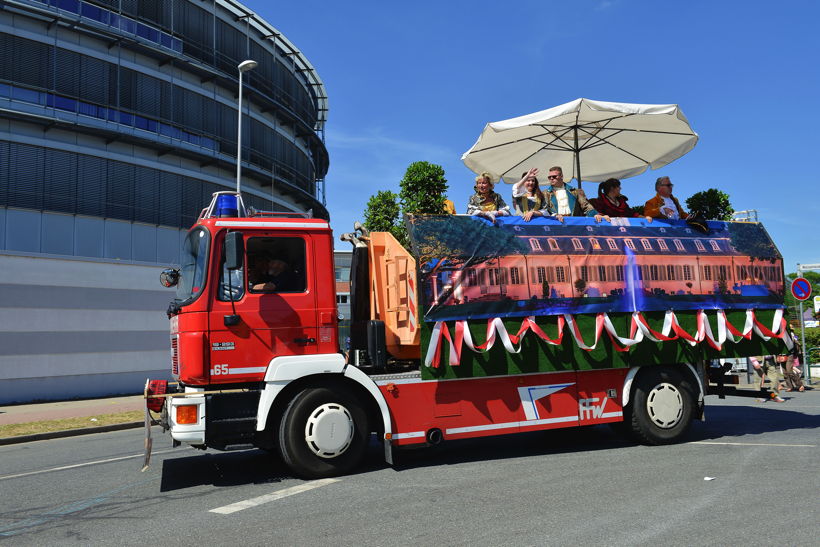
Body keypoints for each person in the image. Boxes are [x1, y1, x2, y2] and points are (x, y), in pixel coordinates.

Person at [542, 166, 609, 223]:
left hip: (574, 223)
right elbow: (544, 209)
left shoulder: (576, 191)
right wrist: (554, 215)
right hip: (555, 223)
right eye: (549, 177)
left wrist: (595, 214)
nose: (551, 178)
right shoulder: (545, 194)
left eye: (554, 176)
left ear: (561, 176)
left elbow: (586, 206)